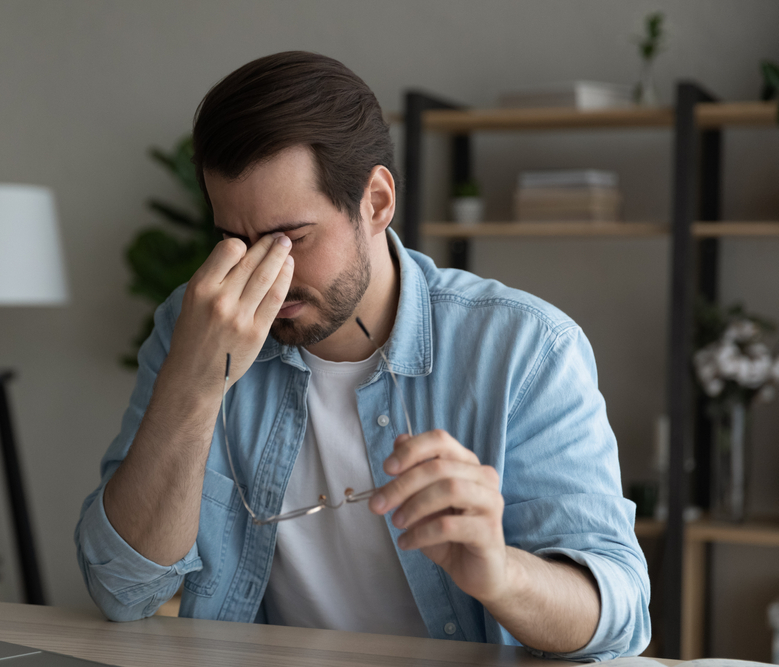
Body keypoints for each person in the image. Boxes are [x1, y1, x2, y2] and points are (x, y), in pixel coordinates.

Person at [75, 51, 650, 660]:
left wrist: (502, 575)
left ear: (375, 202)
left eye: (292, 239)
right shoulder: (197, 325)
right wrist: (193, 386)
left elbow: (618, 615)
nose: (264, 274)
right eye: (235, 241)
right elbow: (122, 590)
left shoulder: (525, 349)